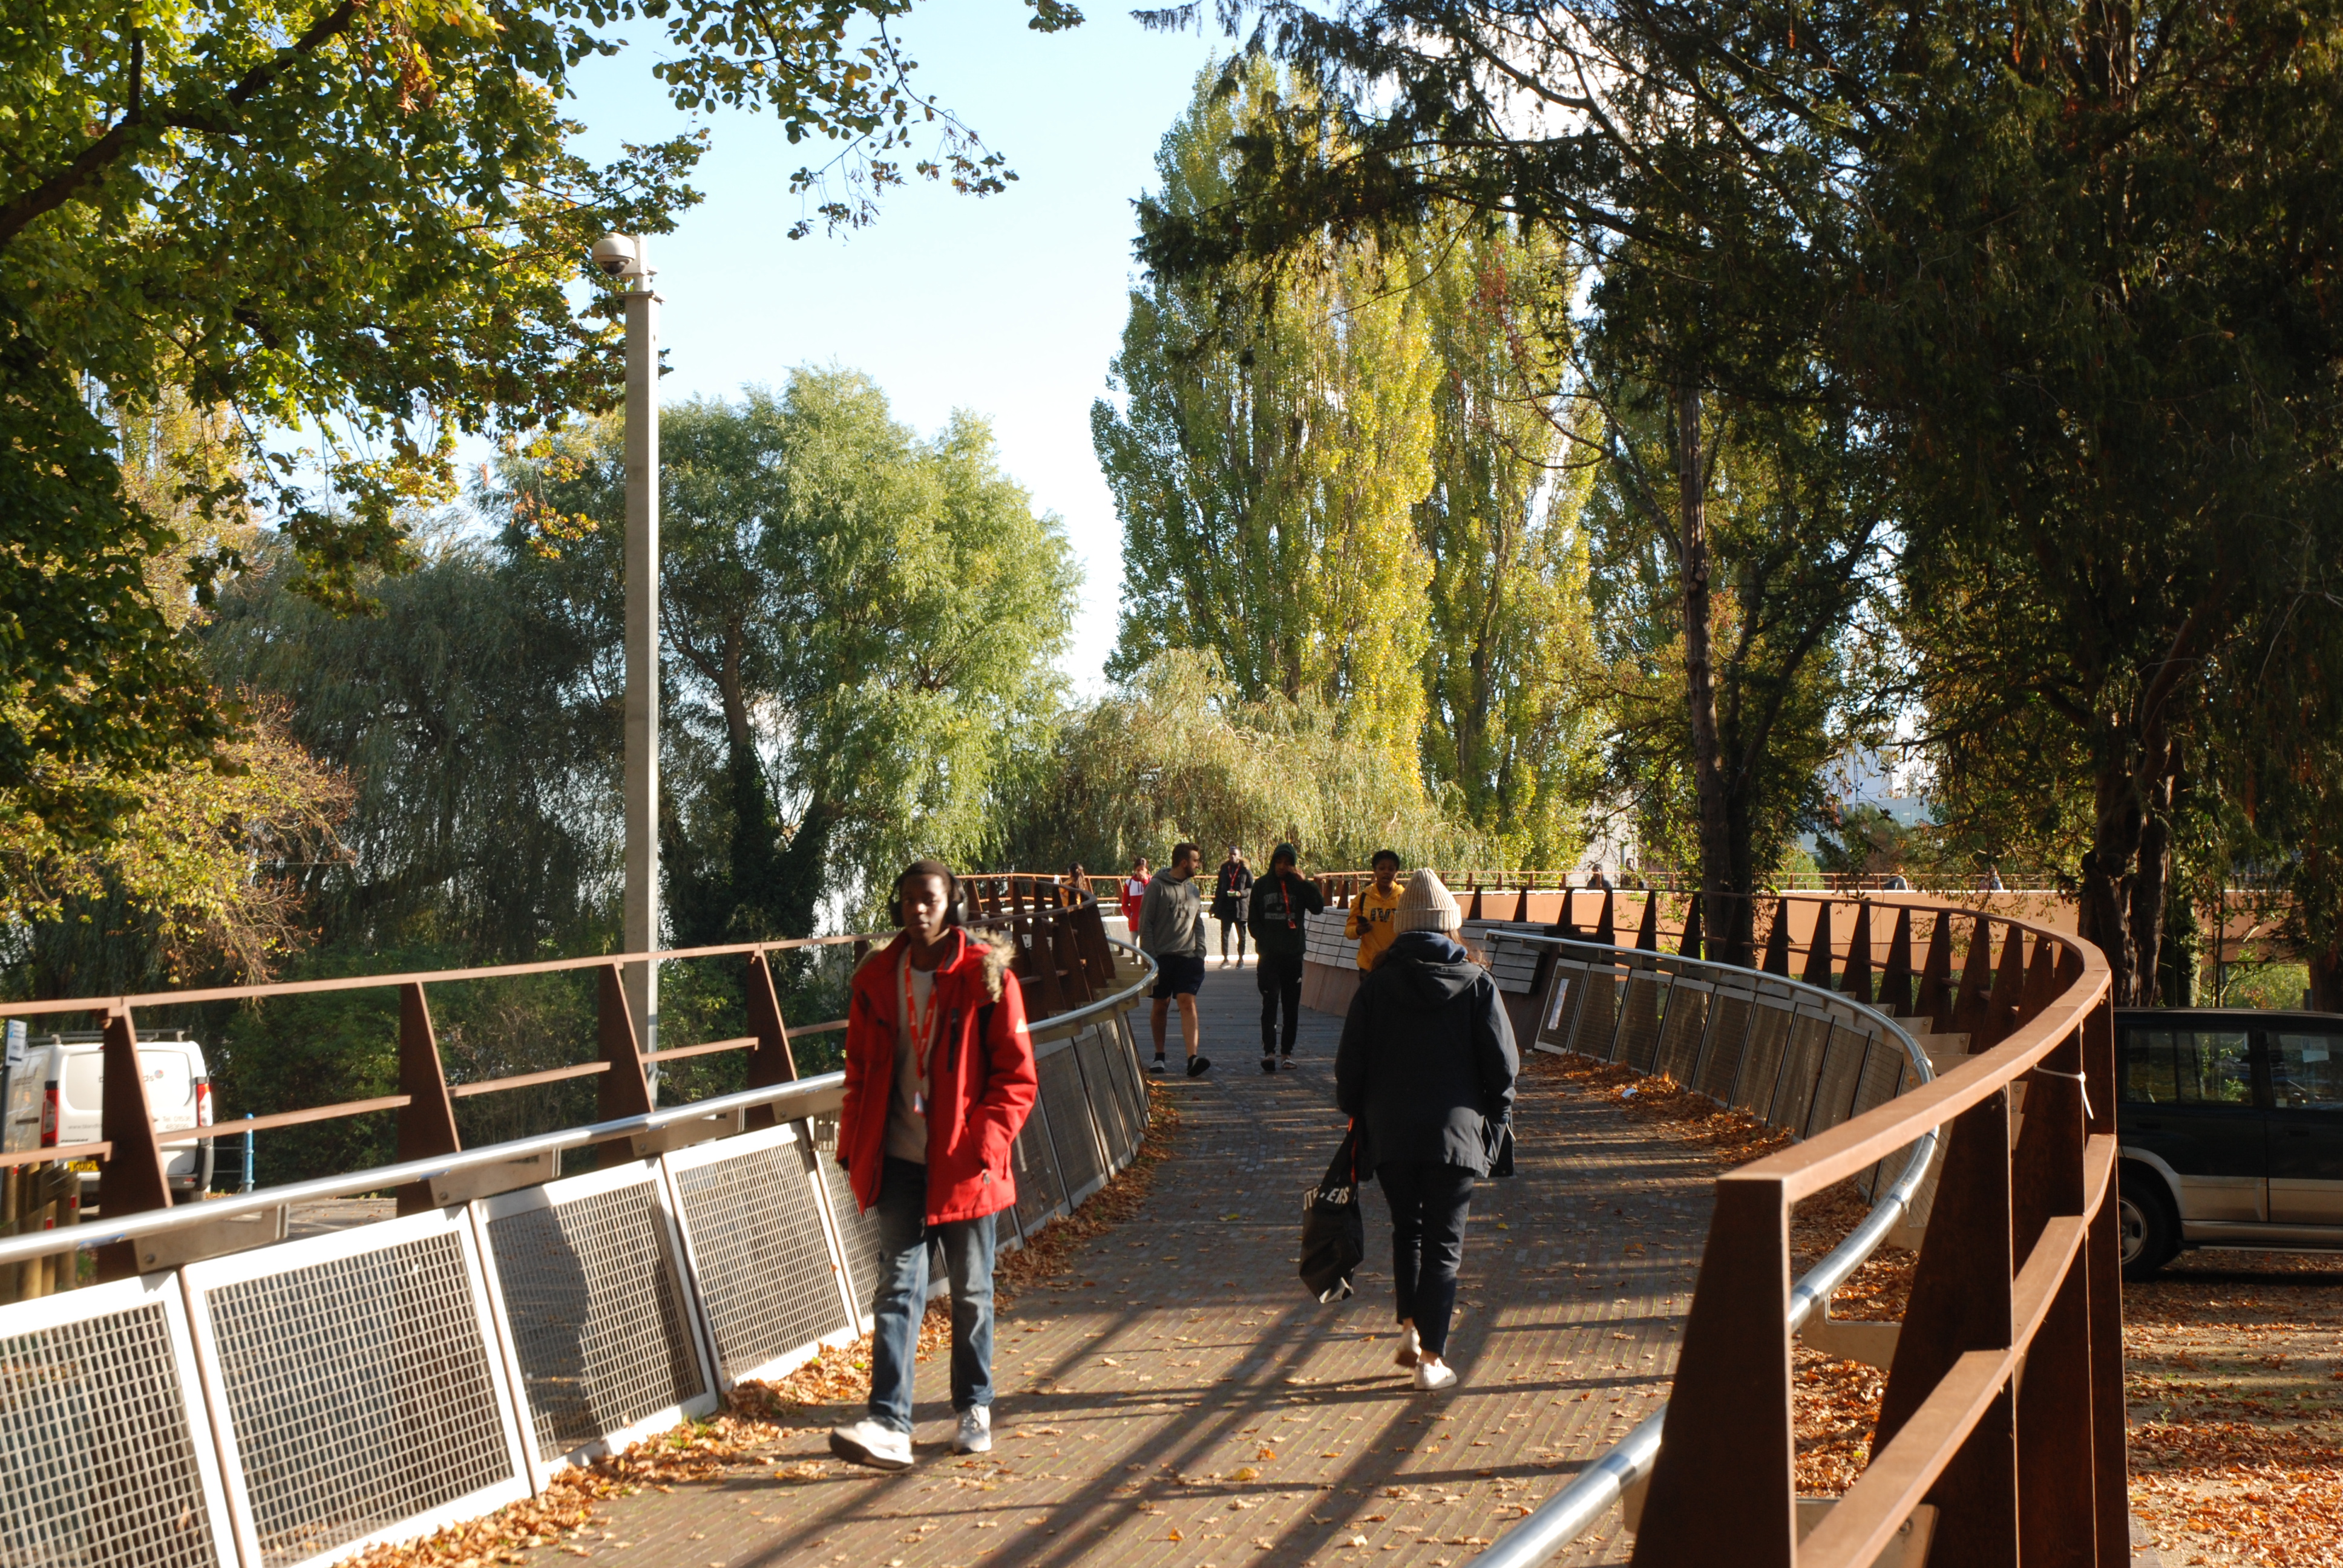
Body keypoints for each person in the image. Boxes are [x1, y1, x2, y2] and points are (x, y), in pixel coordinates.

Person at [830, 861, 1038, 1471]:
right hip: (899, 1158)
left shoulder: (986, 977)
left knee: (971, 1291)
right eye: (908, 900)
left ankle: (974, 1406)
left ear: (953, 906)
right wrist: (853, 1144)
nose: (918, 909)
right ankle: (888, 1423)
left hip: (964, 1163)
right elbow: (859, 1071)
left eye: (930, 899)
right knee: (897, 1288)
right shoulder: (876, 979)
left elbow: (1017, 1078)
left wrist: (981, 1145)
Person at [1335, 871, 1518, 1392]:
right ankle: (1432, 1362)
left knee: (1408, 1230)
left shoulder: (1375, 988)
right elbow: (1503, 1067)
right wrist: (1495, 1120)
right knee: (1444, 1245)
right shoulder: (1477, 983)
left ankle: (1411, 1330)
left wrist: (1359, 1115)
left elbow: (1350, 1068)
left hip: (1391, 1134)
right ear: (1450, 926)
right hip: (1456, 1135)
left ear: (1402, 927)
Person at [1249, 842, 1325, 1073]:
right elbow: (1253, 921)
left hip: (1293, 955)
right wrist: (1266, 941)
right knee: (1270, 1001)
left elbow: (1318, 908)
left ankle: (1287, 1053)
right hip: (1269, 956)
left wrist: (1306, 883)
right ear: (1273, 862)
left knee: (1291, 1006)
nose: (1282, 866)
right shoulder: (1262, 885)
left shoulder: (1299, 886)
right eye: (1279, 862)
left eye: (1287, 863)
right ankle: (1269, 1052)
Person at [1139, 842, 1212, 1076]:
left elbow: (1198, 923)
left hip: (1188, 958)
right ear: (1183, 862)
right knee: (1161, 1004)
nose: (1198, 865)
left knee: (1187, 1002)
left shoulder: (1193, 890)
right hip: (1162, 958)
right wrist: (1152, 958)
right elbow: (1145, 924)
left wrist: (1200, 952)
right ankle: (1159, 1056)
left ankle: (1193, 1058)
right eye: (1195, 861)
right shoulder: (1157, 887)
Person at [1345, 849, 1405, 973]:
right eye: (1382, 868)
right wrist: (1358, 930)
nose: (1386, 872)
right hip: (1369, 966)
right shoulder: (1363, 898)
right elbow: (1349, 932)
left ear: (1396, 872)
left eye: (1391, 869)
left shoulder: (1404, 898)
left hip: (1397, 965)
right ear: (1375, 871)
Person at [1211, 847, 1254, 967]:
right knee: (1225, 934)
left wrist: (1241, 893)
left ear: (1239, 856)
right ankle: (1226, 959)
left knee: (1242, 935)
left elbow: (1252, 888)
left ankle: (1241, 960)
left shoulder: (1245, 870)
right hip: (1226, 907)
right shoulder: (1224, 869)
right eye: (1230, 854)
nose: (1232, 856)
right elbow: (1219, 889)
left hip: (1240, 908)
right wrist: (1214, 907)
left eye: (1235, 854)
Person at [1121, 857, 1151, 930]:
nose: (1140, 872)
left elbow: (1151, 896)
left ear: (1146, 870)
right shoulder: (1129, 883)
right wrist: (1131, 916)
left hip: (1149, 924)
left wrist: (1145, 881)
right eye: (1138, 870)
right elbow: (1124, 904)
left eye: (1142, 870)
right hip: (1134, 925)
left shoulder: (1152, 881)